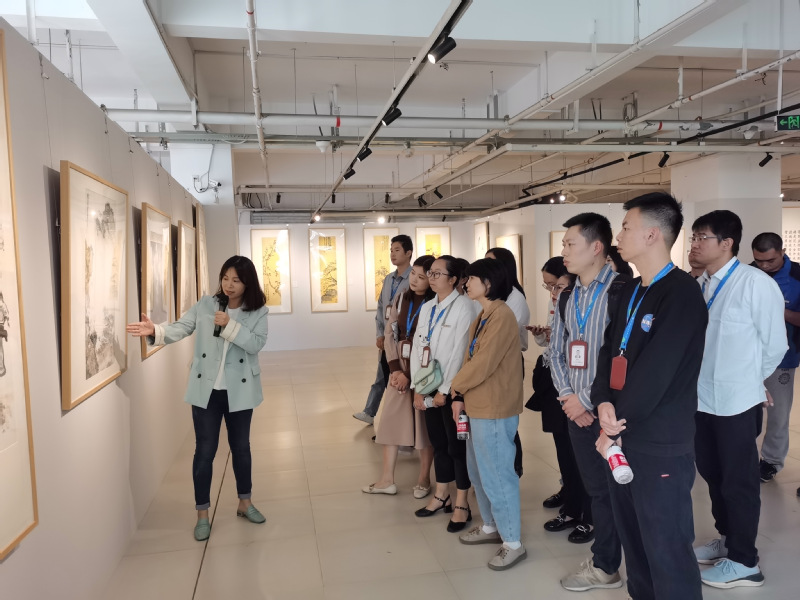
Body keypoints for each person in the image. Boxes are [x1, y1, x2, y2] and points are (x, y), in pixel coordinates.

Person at [593, 193, 708, 600]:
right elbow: (609, 351)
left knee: (666, 546)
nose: (618, 237)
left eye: (626, 227)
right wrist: (602, 401)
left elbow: (656, 373)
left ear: (653, 234)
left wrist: (613, 425)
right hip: (621, 434)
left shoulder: (681, 294)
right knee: (636, 543)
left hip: (658, 442)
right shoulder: (630, 290)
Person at [126, 256, 269, 542]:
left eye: (236, 280)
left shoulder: (258, 311)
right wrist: (156, 331)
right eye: (225, 278)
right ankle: (202, 513)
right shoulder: (206, 304)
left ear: (248, 283)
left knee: (241, 449)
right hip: (207, 392)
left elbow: (256, 344)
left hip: (240, 392)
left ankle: (245, 501)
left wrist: (230, 325)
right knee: (204, 451)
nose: (228, 285)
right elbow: (182, 326)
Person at [689, 211, 786, 588]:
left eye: (702, 237)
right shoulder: (701, 284)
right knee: (713, 475)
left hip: (736, 402)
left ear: (726, 243)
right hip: (702, 400)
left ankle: (745, 562)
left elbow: (775, 344)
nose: (695, 244)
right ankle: (728, 539)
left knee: (738, 481)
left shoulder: (754, 284)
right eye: (694, 237)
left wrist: (750, 379)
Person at [549, 213, 624, 591]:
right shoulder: (567, 296)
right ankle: (606, 564)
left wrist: (585, 400)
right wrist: (567, 398)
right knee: (597, 491)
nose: (563, 251)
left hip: (612, 413)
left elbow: (623, 358)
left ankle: (632, 559)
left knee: (622, 490)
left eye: (569, 244)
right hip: (575, 414)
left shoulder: (622, 292)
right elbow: (556, 352)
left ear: (596, 247)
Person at [452, 259, 526, 570]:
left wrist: (454, 388)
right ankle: (491, 525)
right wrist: (459, 395)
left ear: (489, 283)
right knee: (479, 472)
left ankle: (513, 542)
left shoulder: (502, 316)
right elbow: (470, 358)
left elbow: (484, 363)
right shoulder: (483, 314)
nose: (466, 283)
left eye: (472, 278)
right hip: (476, 403)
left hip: (494, 407)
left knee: (497, 474)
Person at [410, 255, 479, 532]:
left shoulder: (464, 307)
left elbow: (459, 352)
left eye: (438, 273)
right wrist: (418, 387)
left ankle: (462, 503)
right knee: (438, 443)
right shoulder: (428, 307)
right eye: (431, 273)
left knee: (456, 447)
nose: (432, 277)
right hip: (428, 385)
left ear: (453, 279)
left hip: (452, 390)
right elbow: (418, 347)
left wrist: (444, 390)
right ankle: (441, 495)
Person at [527, 263, 593, 544]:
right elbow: (553, 350)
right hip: (559, 386)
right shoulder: (558, 304)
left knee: (583, 459)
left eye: (558, 286)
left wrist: (578, 396)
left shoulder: (589, 307)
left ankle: (590, 517)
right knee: (565, 452)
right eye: (550, 287)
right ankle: (572, 508)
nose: (553, 293)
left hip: (582, 393)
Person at [363, 255, 436, 497]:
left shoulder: (435, 303)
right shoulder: (402, 297)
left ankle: (424, 478)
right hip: (399, 369)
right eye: (413, 274)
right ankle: (387, 479)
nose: (414, 280)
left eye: (421, 277)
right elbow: (390, 331)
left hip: (423, 371)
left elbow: (431, 344)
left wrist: (409, 374)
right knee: (391, 421)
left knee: (423, 426)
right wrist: (395, 369)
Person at [751, 232, 800, 483]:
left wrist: (778, 310)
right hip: (747, 356)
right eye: (759, 260)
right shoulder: (748, 273)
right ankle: (742, 456)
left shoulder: (797, 276)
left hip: (783, 358)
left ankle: (771, 461)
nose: (764, 266)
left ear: (782, 252)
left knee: (778, 413)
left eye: (770, 261)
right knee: (744, 411)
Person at [354, 235, 413, 425]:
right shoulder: (388, 279)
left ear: (408, 253)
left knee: (395, 377)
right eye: (391, 250)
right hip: (387, 337)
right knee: (382, 374)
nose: (392, 254)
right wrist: (380, 334)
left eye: (397, 250)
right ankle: (370, 412)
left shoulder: (413, 279)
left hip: (402, 338)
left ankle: (394, 418)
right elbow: (381, 308)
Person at [486, 247, 529, 478]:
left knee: (506, 419)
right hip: (490, 362)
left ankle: (514, 468)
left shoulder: (515, 297)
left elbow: (501, 336)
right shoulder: (494, 293)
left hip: (508, 364)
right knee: (494, 419)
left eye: (490, 262)